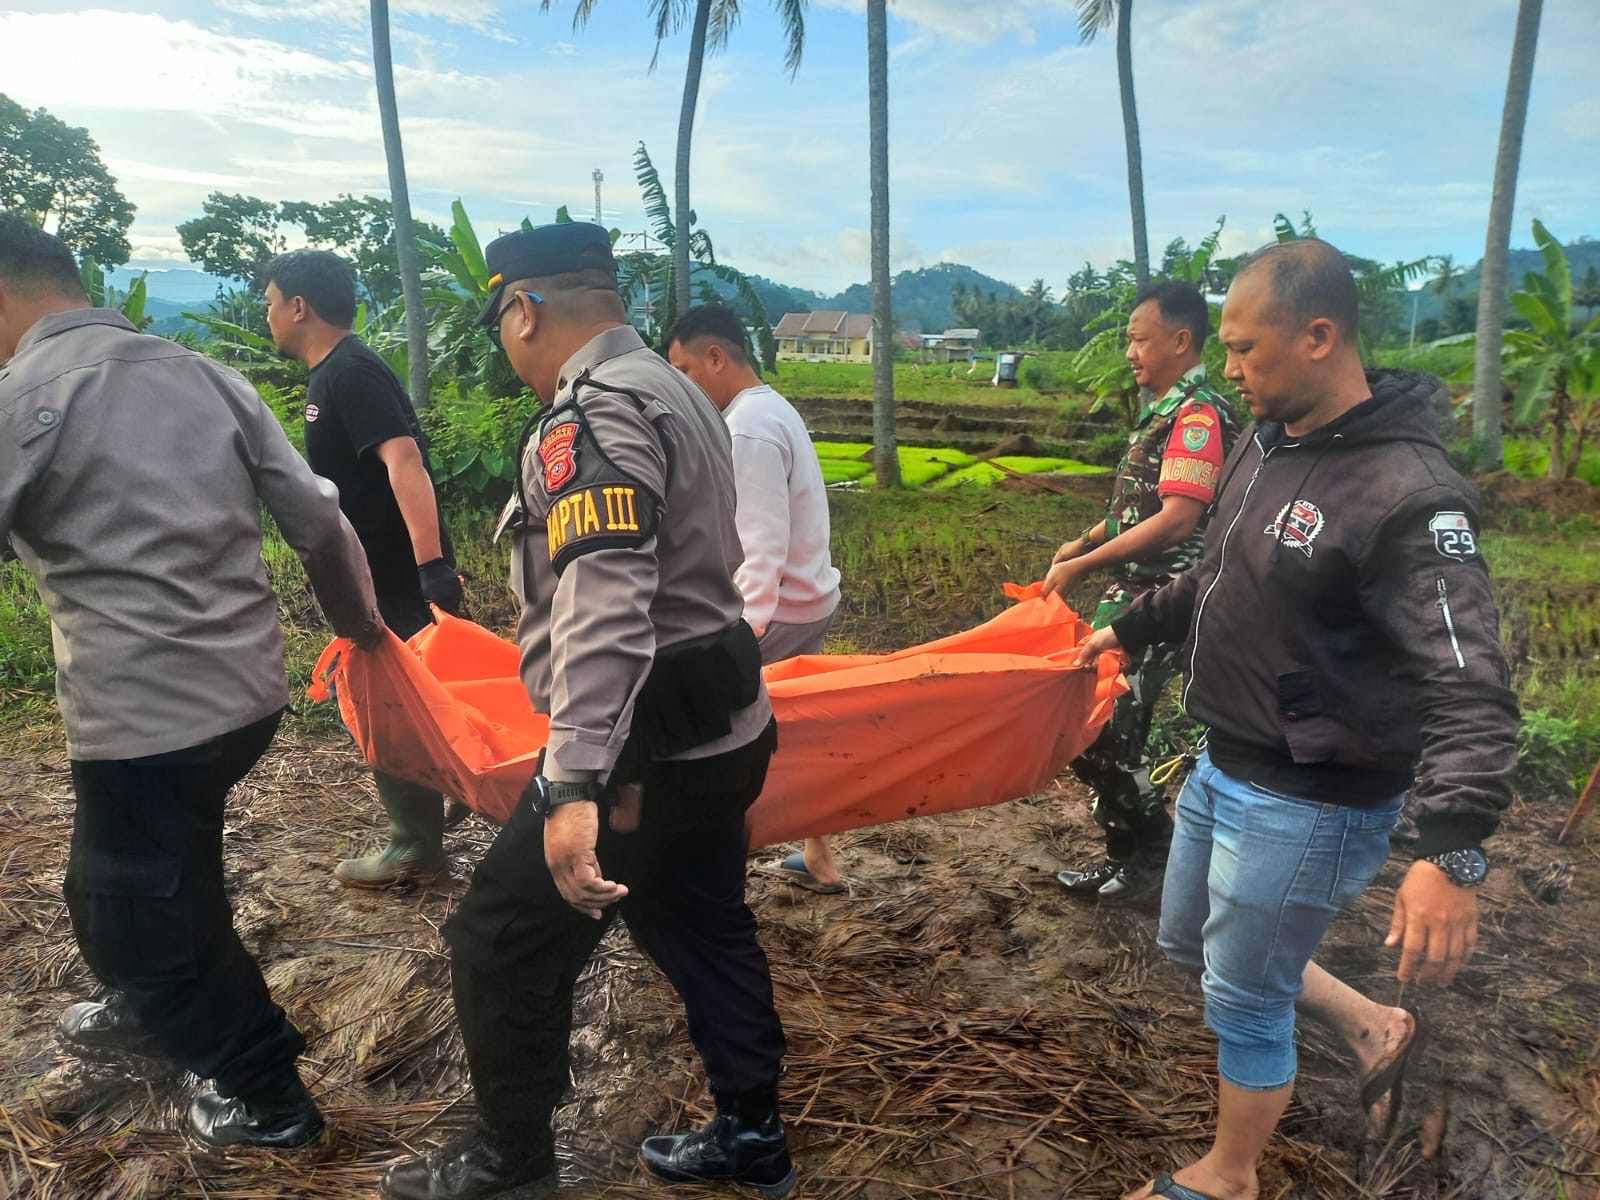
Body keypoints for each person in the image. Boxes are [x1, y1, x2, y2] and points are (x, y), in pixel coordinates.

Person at [1076, 239, 1518, 1200]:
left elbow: (1471, 684)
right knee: (1188, 943)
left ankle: (1229, 1175)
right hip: (1226, 760)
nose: (1228, 369)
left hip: (1310, 796)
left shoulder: (1406, 496)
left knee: (1243, 992)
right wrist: (1123, 628)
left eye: (1243, 349)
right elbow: (1215, 576)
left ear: (1318, 336)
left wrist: (1452, 850)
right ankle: (1372, 1024)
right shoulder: (1266, 441)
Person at [380, 224, 792, 1200]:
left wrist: (572, 786)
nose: (505, 344)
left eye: (500, 323)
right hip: (722, 722)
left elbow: (607, 602)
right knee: (700, 924)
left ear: (523, 309)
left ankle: (510, 1163)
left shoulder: (594, 412)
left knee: (498, 941)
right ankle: (753, 1136)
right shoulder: (674, 388)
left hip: (639, 751)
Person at [0, 212, 383, 1150]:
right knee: (139, 871)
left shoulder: (23, 397)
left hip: (144, 715)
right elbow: (321, 525)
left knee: (141, 912)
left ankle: (268, 1097)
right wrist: (359, 628)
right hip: (246, 697)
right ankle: (144, 1007)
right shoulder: (208, 376)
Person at [262, 250, 465, 889]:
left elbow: (405, 462)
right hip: (375, 569)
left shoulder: (349, 371)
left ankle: (416, 848)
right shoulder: (333, 373)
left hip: (394, 573)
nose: (267, 315)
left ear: (299, 307)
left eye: (270, 303)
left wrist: (432, 569)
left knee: (389, 701)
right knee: (408, 696)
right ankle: (447, 794)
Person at [1041, 281, 1240, 904]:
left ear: (1180, 341)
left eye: (1138, 340)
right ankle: (1126, 856)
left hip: (1161, 600)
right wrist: (1081, 542)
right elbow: (1137, 510)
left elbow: (1177, 520)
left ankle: (1156, 856)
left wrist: (1084, 564)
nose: (1129, 353)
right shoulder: (1164, 414)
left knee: (1099, 728)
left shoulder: (1198, 416)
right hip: (1130, 594)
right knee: (1099, 727)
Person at [664, 303, 845, 894]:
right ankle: (818, 855)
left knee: (723, 739)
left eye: (685, 371)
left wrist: (739, 638)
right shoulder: (770, 408)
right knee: (795, 734)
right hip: (808, 598)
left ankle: (717, 867)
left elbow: (759, 545)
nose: (683, 386)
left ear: (716, 357)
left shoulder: (746, 428)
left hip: (779, 612)